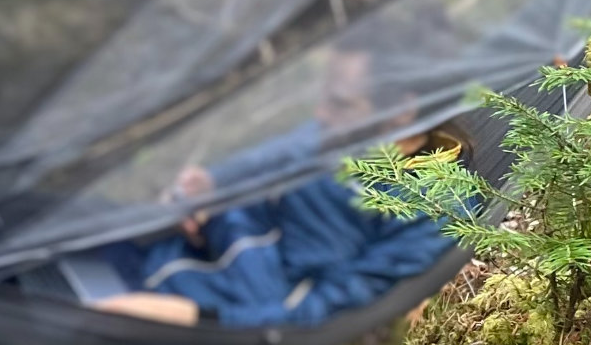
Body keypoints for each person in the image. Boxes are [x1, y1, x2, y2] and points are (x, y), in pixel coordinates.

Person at [92, 130, 463, 329]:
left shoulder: (432, 205)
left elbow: (333, 307)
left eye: (340, 102)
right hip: (153, 251)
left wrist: (197, 320)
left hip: (189, 308)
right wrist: (205, 191)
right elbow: (258, 165)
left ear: (402, 111)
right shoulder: (334, 135)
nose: (320, 114)